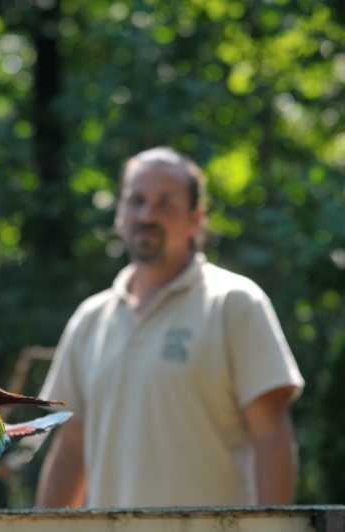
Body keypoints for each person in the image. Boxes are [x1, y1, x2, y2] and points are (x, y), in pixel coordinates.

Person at [35, 147, 305, 508]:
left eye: (166, 204)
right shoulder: (90, 320)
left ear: (195, 219)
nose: (147, 215)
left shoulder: (235, 303)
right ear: (119, 212)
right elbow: (70, 452)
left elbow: (271, 438)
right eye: (136, 201)